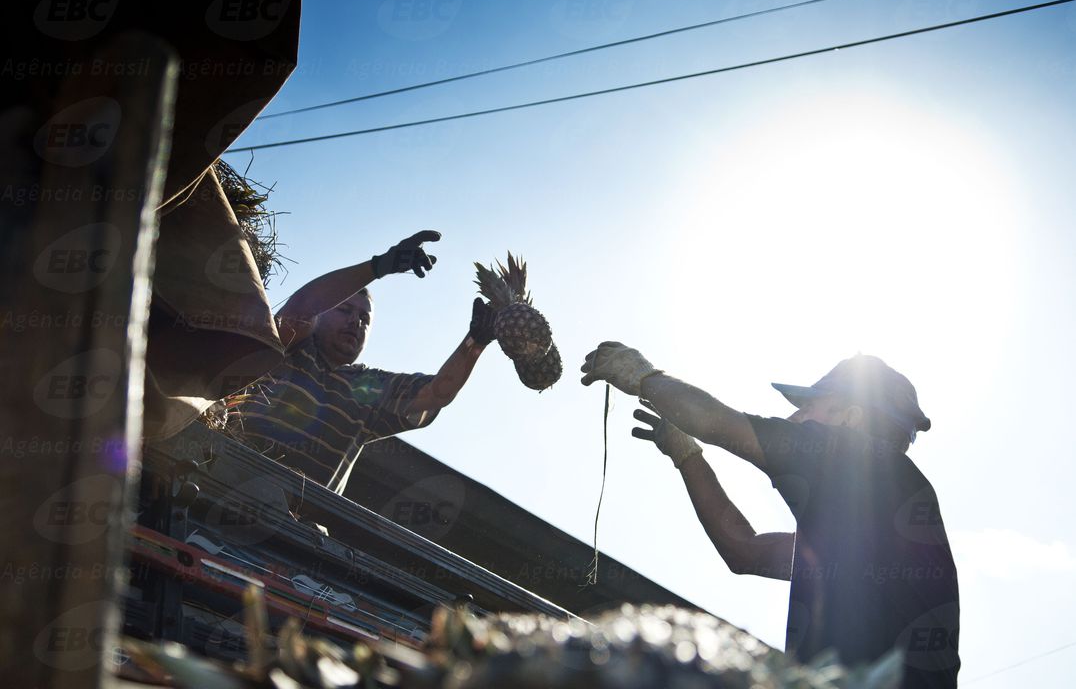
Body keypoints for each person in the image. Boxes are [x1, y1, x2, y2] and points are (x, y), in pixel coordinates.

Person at [580, 343, 959, 689]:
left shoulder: (866, 462)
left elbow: (718, 421)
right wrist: (687, 456)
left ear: (850, 417)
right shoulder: (870, 529)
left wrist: (643, 377)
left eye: (811, 405)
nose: (796, 416)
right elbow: (744, 551)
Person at [230, 230, 496, 494]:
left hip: (299, 527)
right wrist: (379, 266)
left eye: (365, 319)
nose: (356, 322)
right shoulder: (290, 350)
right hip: (226, 490)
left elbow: (437, 393)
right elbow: (303, 306)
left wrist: (475, 342)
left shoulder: (368, 388)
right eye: (345, 310)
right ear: (321, 315)